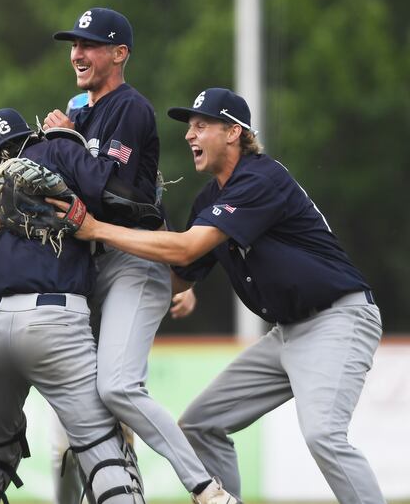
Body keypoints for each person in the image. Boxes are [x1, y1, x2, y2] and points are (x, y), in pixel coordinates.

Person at [54, 87, 385, 504]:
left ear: (234, 132)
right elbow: (179, 274)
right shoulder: (210, 197)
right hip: (288, 334)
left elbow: (187, 248)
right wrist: (149, 224)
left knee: (324, 435)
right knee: (201, 424)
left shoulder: (260, 178)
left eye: (201, 125)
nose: (190, 135)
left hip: (338, 320)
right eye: (189, 127)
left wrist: (97, 228)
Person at [43, 8, 228, 503]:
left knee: (119, 388)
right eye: (73, 44)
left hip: (131, 260)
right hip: (89, 266)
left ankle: (207, 489)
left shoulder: (130, 108)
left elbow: (104, 190)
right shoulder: (79, 111)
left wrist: (60, 142)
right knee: (82, 409)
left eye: (89, 44)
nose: (77, 53)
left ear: (120, 53)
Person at [0, 107, 148, 504]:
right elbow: (113, 193)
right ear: (31, 136)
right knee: (101, 447)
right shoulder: (59, 154)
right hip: (54, 319)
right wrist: (72, 141)